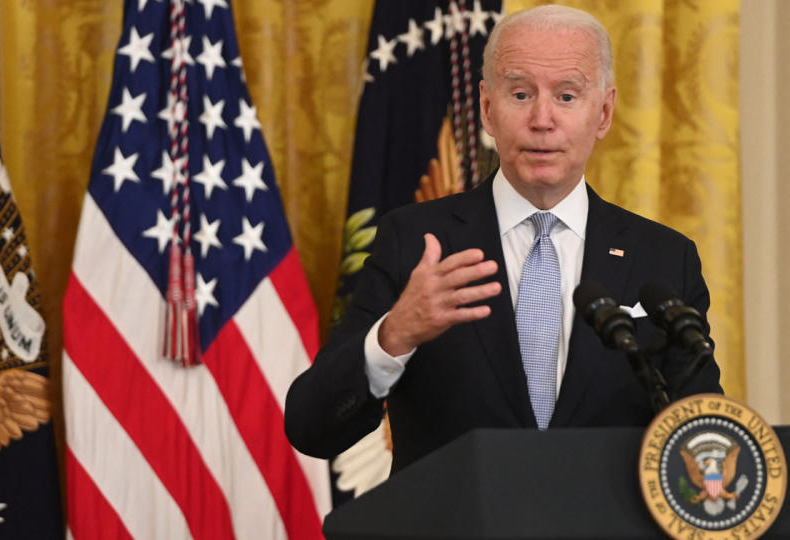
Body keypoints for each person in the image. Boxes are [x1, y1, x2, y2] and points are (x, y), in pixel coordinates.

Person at [284, 4, 723, 473]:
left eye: (567, 96)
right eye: (519, 94)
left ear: (605, 112)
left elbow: (705, 436)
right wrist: (393, 336)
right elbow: (312, 428)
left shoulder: (663, 259)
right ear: (488, 109)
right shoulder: (414, 241)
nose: (542, 119)